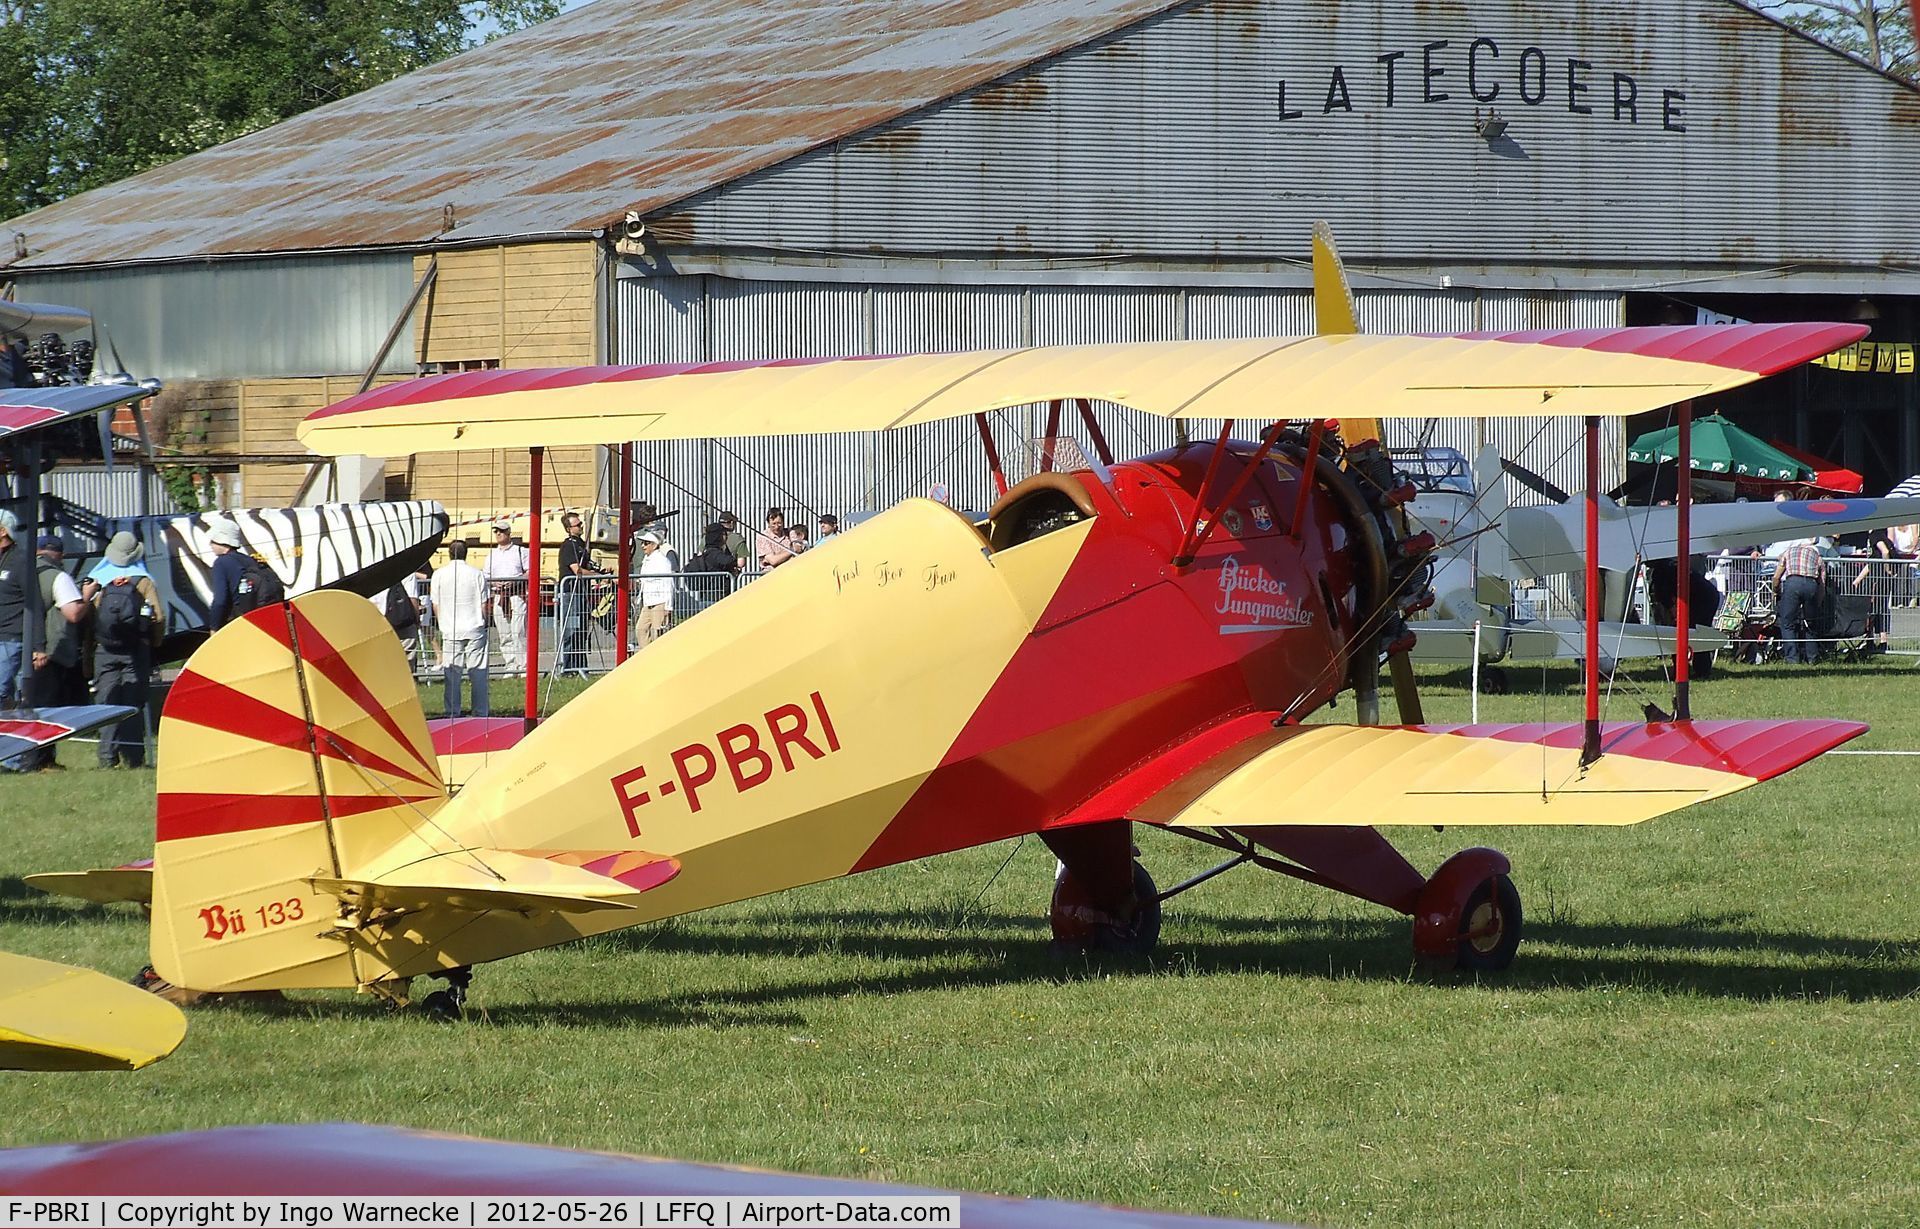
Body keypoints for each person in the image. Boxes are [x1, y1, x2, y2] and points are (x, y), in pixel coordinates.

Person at [89, 531, 164, 768]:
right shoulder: (143, 581)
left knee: (107, 703)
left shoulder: (98, 578)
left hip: (105, 650)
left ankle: (106, 758)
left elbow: (91, 618)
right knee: (133, 704)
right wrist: (155, 643)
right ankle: (134, 758)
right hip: (135, 650)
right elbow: (158, 616)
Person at [17, 536, 88, 770]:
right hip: (49, 652)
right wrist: (87, 595)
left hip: (16, 647)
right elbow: (73, 613)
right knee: (46, 709)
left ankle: (21, 758)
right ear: (59, 554)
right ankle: (42, 760)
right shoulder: (58, 576)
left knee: (20, 704)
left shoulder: (19, 572)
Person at [429, 539, 490, 717]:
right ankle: (480, 712)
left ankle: (452, 712)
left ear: (449, 553)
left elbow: (436, 603)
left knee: (452, 673)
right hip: (474, 626)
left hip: (450, 628)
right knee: (478, 672)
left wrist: (442, 622)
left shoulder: (439, 574)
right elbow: (484, 603)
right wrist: (483, 621)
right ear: (467, 553)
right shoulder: (476, 574)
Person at [557, 512, 602, 675]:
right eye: (578, 525)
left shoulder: (580, 543)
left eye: (581, 524)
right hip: (571, 593)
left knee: (582, 630)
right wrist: (595, 576)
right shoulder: (568, 546)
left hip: (582, 592)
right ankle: (568, 668)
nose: (581, 526)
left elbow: (587, 565)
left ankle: (580, 666)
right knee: (571, 630)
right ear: (569, 529)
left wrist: (601, 571)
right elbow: (577, 569)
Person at [484, 524, 530, 675]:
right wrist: (494, 582)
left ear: (509, 532)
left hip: (516, 595)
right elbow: (486, 575)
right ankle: (510, 664)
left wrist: (515, 581)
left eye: (502, 531)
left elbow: (529, 571)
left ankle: (523, 666)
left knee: (518, 631)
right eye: (496, 531)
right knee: (504, 633)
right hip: (499, 596)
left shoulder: (520, 551)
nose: (498, 534)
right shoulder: (492, 555)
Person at [1776, 537, 1826, 665]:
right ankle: (1812, 658)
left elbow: (1777, 576)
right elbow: (1822, 584)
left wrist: (1775, 590)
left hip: (1792, 583)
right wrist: (1818, 603)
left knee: (1787, 623)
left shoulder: (1789, 552)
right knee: (1810, 624)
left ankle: (1792, 659)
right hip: (1811, 584)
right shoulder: (1818, 556)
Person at [0, 510, 25, 710]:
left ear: (2, 531)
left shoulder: (19, 560)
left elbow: (32, 602)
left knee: (1, 689)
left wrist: (38, 645)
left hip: (10, 637)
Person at [633, 529, 675, 647]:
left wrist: (668, 605)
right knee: (641, 629)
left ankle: (659, 658)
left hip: (660, 601)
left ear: (654, 545)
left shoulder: (662, 561)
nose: (642, 546)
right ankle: (646, 654)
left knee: (658, 633)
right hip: (648, 602)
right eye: (642, 543)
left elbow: (668, 582)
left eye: (646, 543)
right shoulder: (647, 560)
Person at [205, 521, 250, 629]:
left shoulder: (221, 563)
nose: (210, 544)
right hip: (254, 617)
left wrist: (214, 627)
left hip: (237, 622)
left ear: (222, 541)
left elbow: (220, 601)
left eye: (213, 541)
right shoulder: (247, 559)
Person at [685, 522, 739, 609]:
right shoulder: (715, 554)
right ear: (718, 536)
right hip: (716, 598)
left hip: (706, 596)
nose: (726, 537)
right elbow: (729, 561)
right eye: (724, 534)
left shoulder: (707, 552)